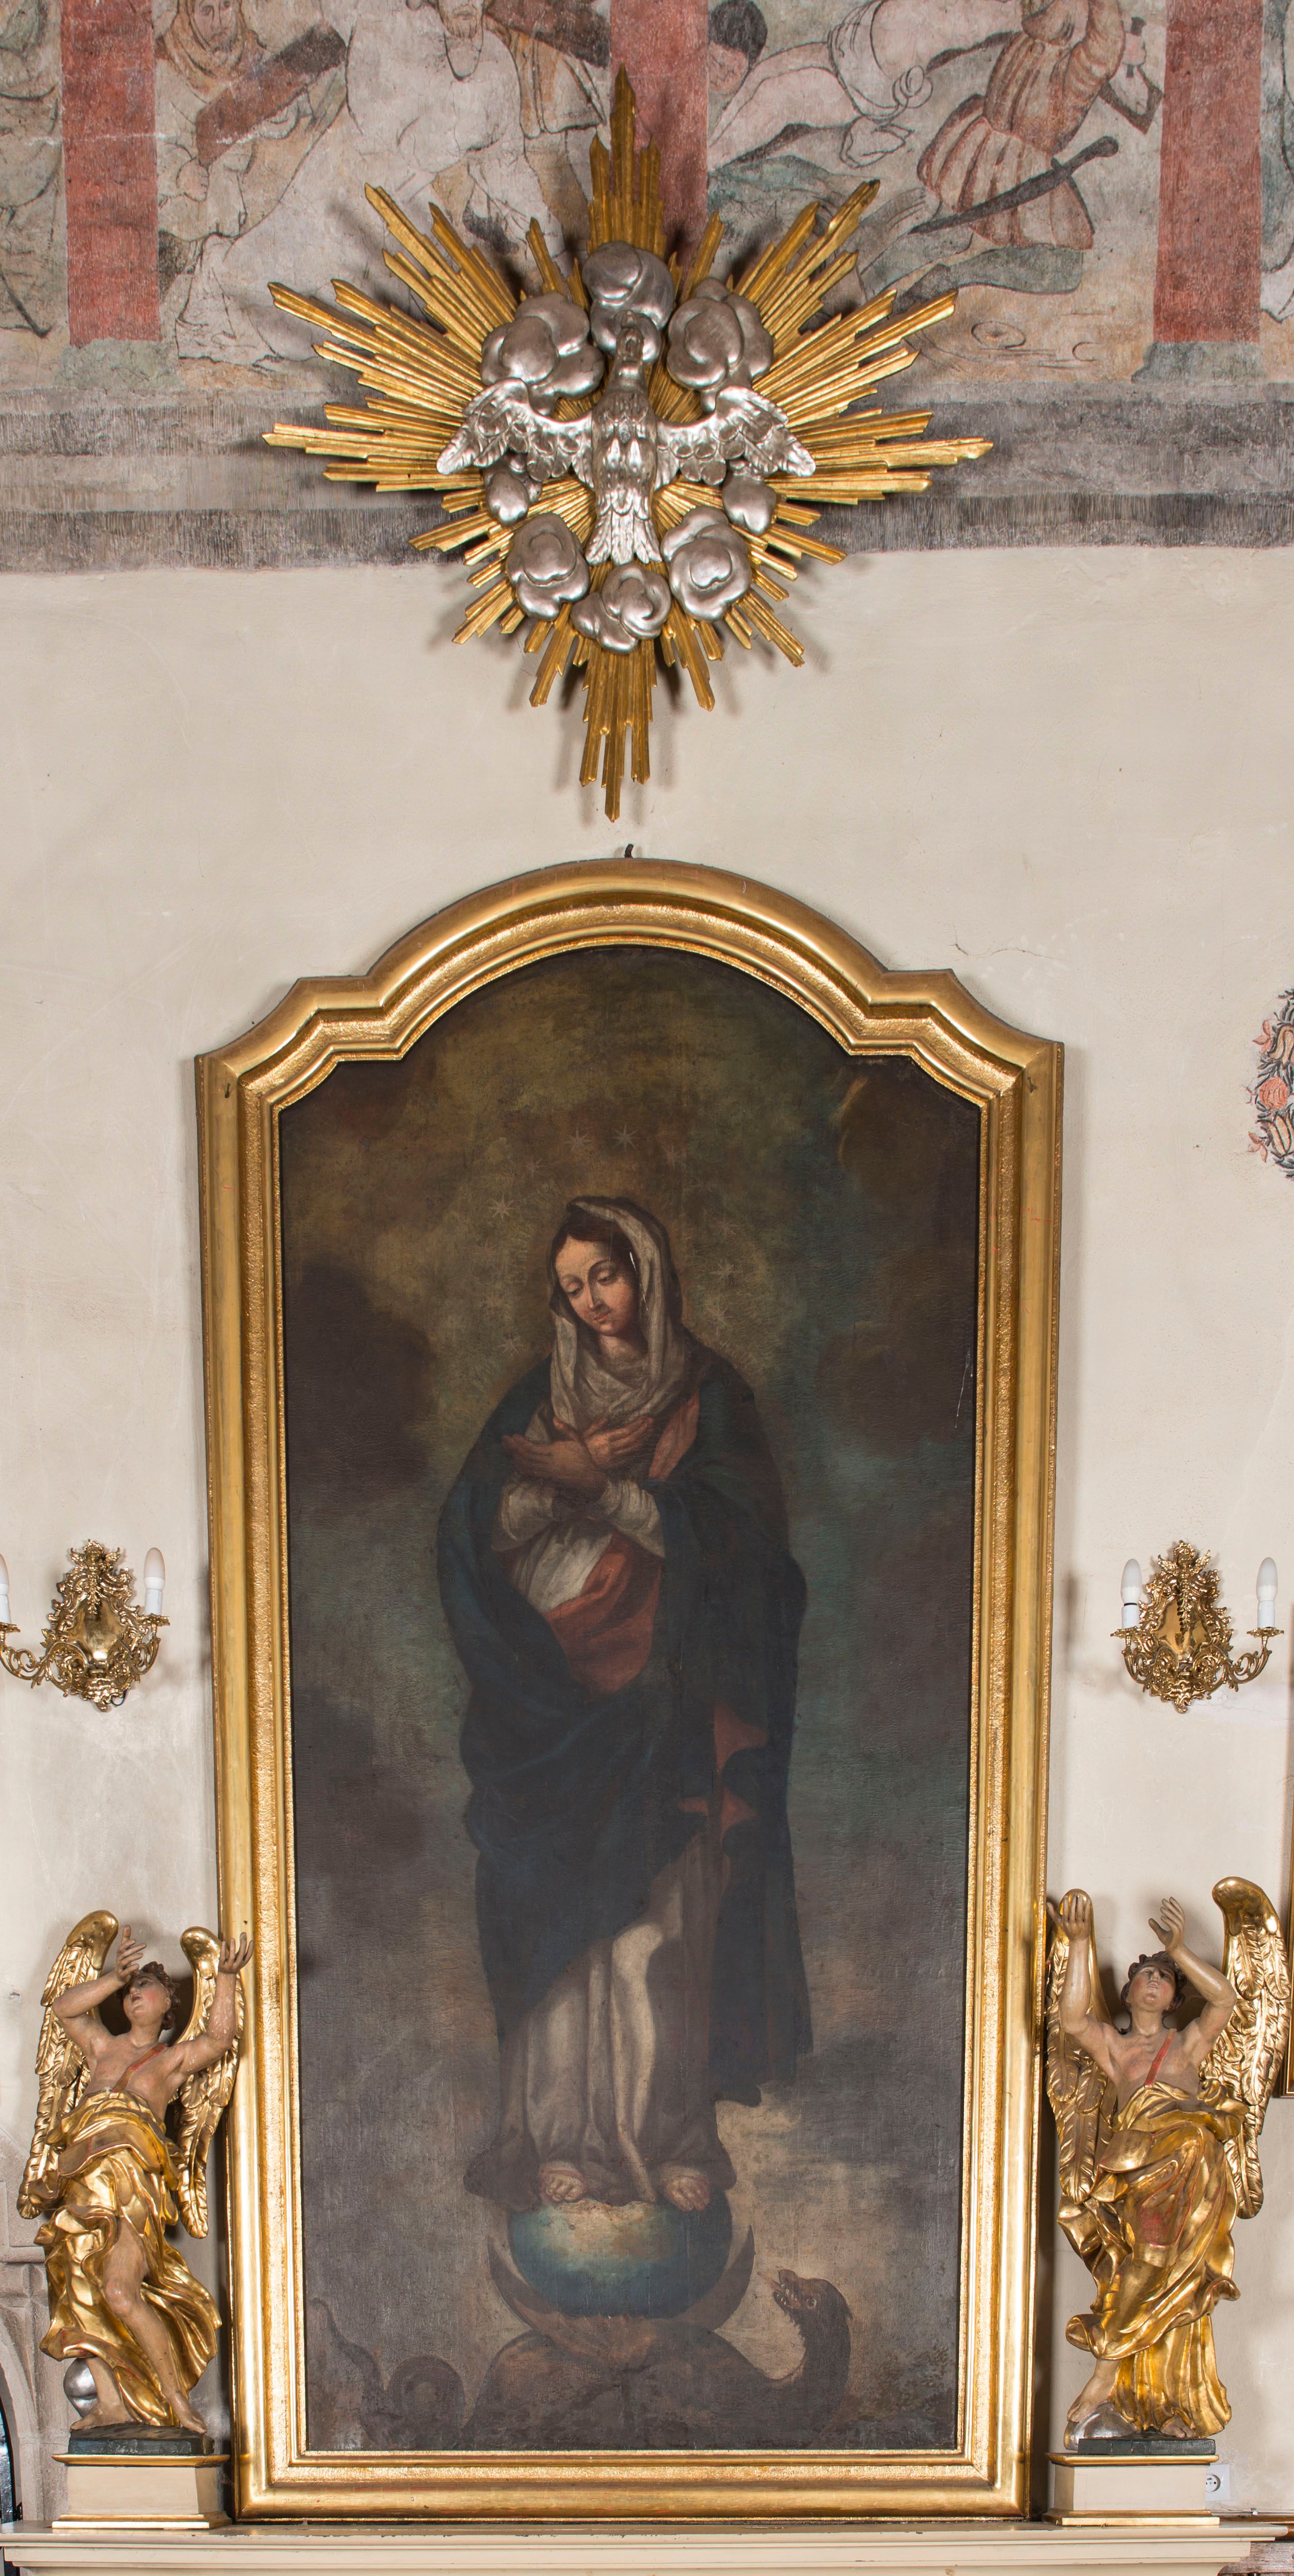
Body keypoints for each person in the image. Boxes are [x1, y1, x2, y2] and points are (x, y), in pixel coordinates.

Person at [438, 1196, 811, 2214]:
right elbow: (475, 1532)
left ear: (643, 1268)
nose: (591, 1300)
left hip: (664, 1702)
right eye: (571, 1286)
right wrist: (555, 1485)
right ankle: (558, 2133)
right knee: (563, 1919)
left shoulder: (707, 1397)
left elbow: (748, 1552)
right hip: (548, 1709)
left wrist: (605, 1489)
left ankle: (674, 2131)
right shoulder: (539, 1393)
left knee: (665, 1918)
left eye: (604, 1274)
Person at [176, 0, 558, 364]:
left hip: (408, 209)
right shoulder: (388, 28)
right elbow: (388, 135)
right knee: (288, 316)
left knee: (452, 321)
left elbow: (506, 165)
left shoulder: (496, 68)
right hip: (340, 190)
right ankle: (216, 270)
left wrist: (551, 243)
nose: (464, 5)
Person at [33, 1924, 251, 2431]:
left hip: (132, 2189)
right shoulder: (101, 2047)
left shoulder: (170, 2060)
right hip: (82, 2183)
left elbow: (219, 2039)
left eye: (144, 1986)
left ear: (167, 2004)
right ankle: (109, 2402)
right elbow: (64, 2009)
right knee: (82, 2293)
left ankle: (177, 2400)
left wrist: (224, 1978)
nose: (134, 1993)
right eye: (130, 1989)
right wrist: (114, 1976)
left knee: (119, 2292)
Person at [1053, 1891, 1241, 2441]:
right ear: (1129, 1991)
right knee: (1150, 2266)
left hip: (1190, 2167)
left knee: (1175, 2274)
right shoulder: (1115, 2049)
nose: (1155, 1980)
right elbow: (1072, 2017)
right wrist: (1080, 1944)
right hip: (1138, 2170)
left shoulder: (1187, 2045)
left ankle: (1127, 2384)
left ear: (1175, 1997)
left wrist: (1179, 1950)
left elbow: (1225, 1998)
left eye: (1164, 1977)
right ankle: (1125, 2386)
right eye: (1146, 1974)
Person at [155, 0, 345, 328]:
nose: (219, 21)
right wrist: (179, 174)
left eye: (226, 6)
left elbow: (285, 118)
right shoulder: (166, 68)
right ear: (187, 13)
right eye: (207, 11)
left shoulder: (253, 55)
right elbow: (147, 151)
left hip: (247, 215)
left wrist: (284, 111)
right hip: (189, 223)